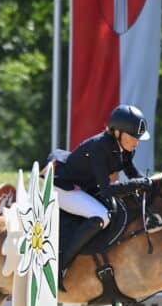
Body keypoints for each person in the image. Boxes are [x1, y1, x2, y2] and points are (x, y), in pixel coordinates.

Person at [53, 104, 152, 271]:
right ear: (117, 132)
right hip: (66, 188)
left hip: (85, 188)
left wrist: (151, 183)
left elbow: (131, 171)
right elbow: (106, 189)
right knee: (102, 216)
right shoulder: (99, 147)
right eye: (133, 136)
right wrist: (138, 184)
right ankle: (61, 265)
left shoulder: (126, 148)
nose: (137, 141)